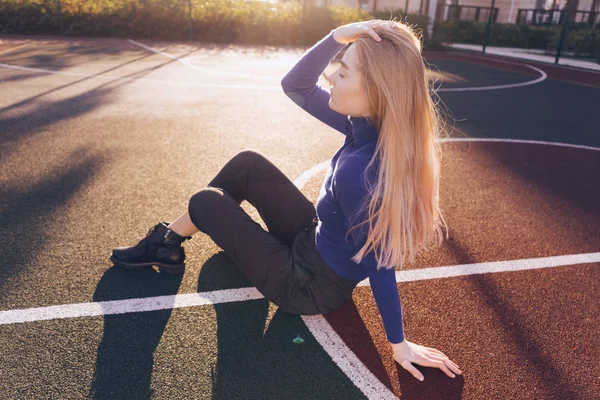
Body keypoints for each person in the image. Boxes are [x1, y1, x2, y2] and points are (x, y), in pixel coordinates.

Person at [110, 19, 461, 382]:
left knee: (206, 201)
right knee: (247, 164)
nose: (331, 79)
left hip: (308, 287)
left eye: (342, 73)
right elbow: (295, 86)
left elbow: (380, 263)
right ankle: (169, 243)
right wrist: (339, 35)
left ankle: (166, 242)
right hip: (312, 242)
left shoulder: (361, 171)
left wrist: (399, 345)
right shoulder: (367, 126)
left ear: (374, 91)